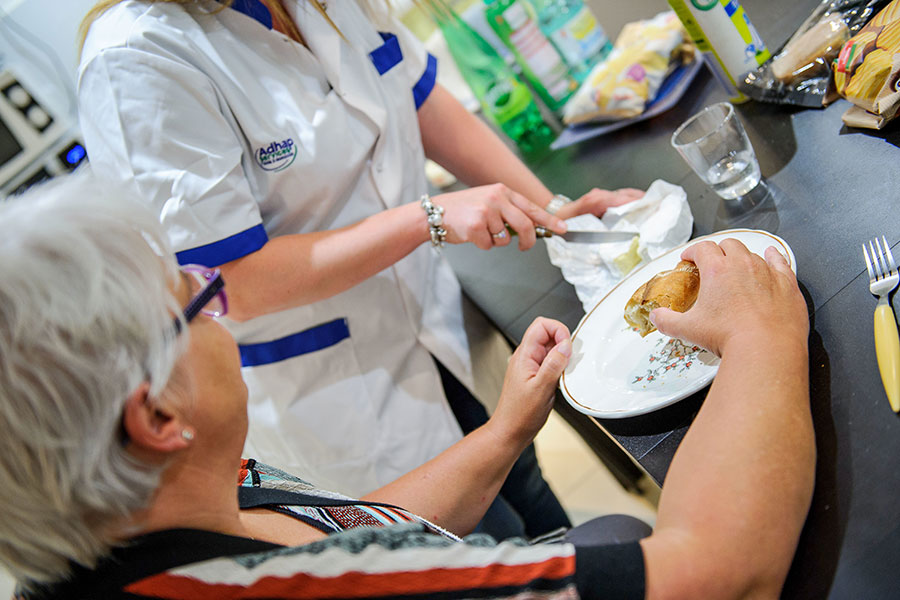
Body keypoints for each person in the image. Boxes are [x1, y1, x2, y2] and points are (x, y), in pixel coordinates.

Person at [1, 174, 814, 599]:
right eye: (197, 303)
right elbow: (724, 577)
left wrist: (502, 433)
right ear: (158, 415)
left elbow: (347, 530)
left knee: (605, 529)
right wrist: (760, 336)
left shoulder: (174, 504)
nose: (217, 301)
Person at [76, 0, 644, 539]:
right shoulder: (138, 58)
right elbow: (229, 282)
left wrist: (548, 209)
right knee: (479, 553)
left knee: (526, 488)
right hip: (342, 388)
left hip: (437, 321)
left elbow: (419, 99)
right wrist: (425, 219)